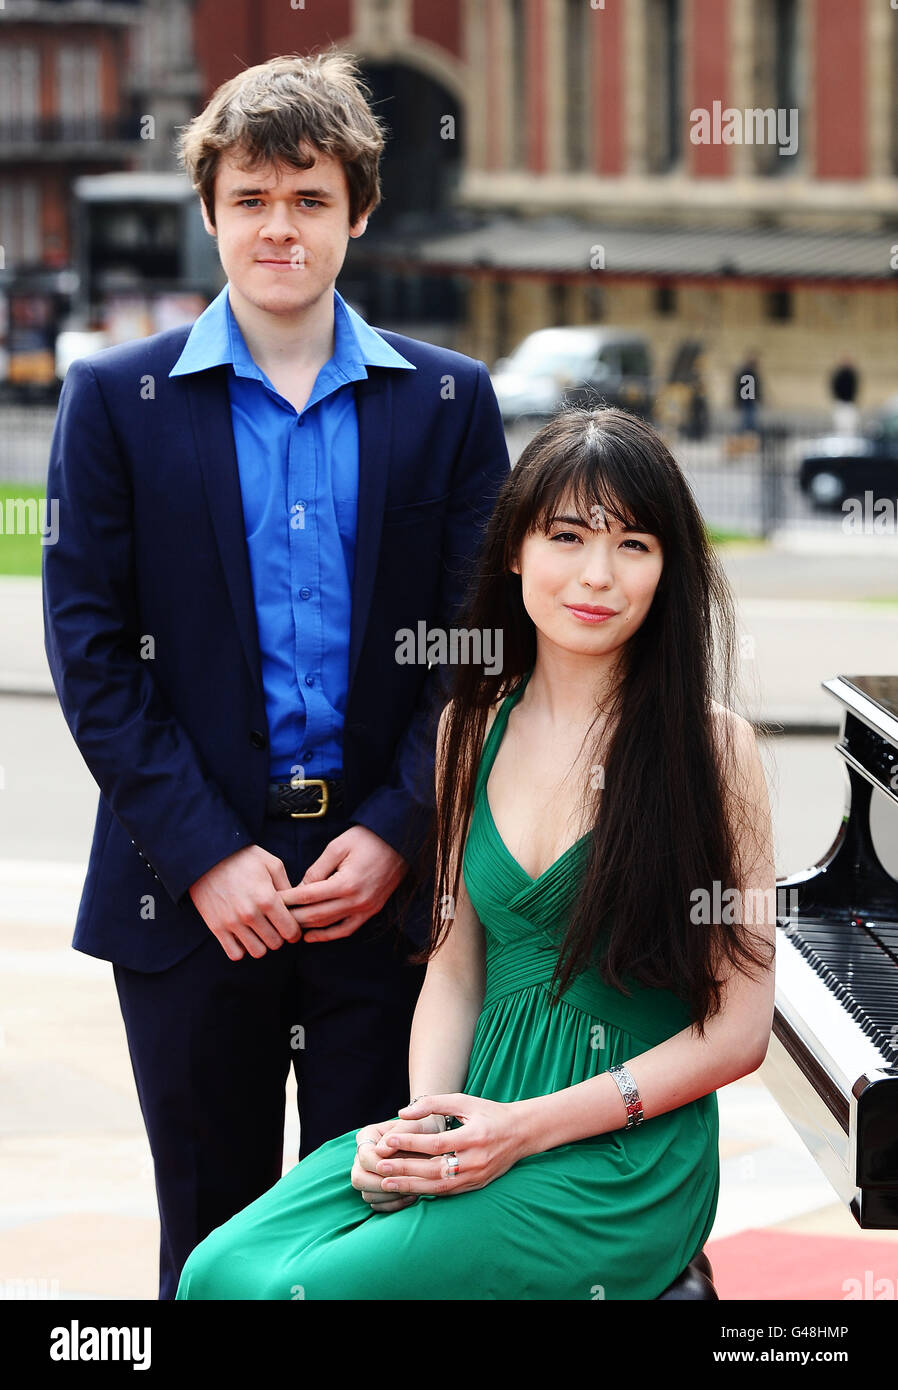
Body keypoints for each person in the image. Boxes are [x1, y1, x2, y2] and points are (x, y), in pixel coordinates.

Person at [41, 50, 510, 1300]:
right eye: (251, 199)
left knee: (370, 1235)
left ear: (359, 211)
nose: (279, 228)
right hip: (186, 904)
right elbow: (89, 652)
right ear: (210, 214)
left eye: (308, 199)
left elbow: (477, 647)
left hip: (384, 898)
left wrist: (401, 828)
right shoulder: (115, 401)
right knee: (210, 1237)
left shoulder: (450, 403)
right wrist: (204, 852)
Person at [176, 406, 777, 1301]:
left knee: (312, 1295)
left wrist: (525, 1130)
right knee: (216, 1270)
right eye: (566, 536)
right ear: (514, 551)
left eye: (635, 545)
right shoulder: (471, 729)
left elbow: (739, 1030)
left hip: (619, 1152)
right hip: (473, 1114)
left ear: (668, 568)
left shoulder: (714, 749)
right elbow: (456, 974)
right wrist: (423, 1124)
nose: (597, 576)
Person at [830, 358, 860, 434]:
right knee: (840, 426)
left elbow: (855, 388)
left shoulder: (852, 374)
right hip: (841, 402)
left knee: (850, 426)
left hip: (849, 403)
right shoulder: (838, 375)